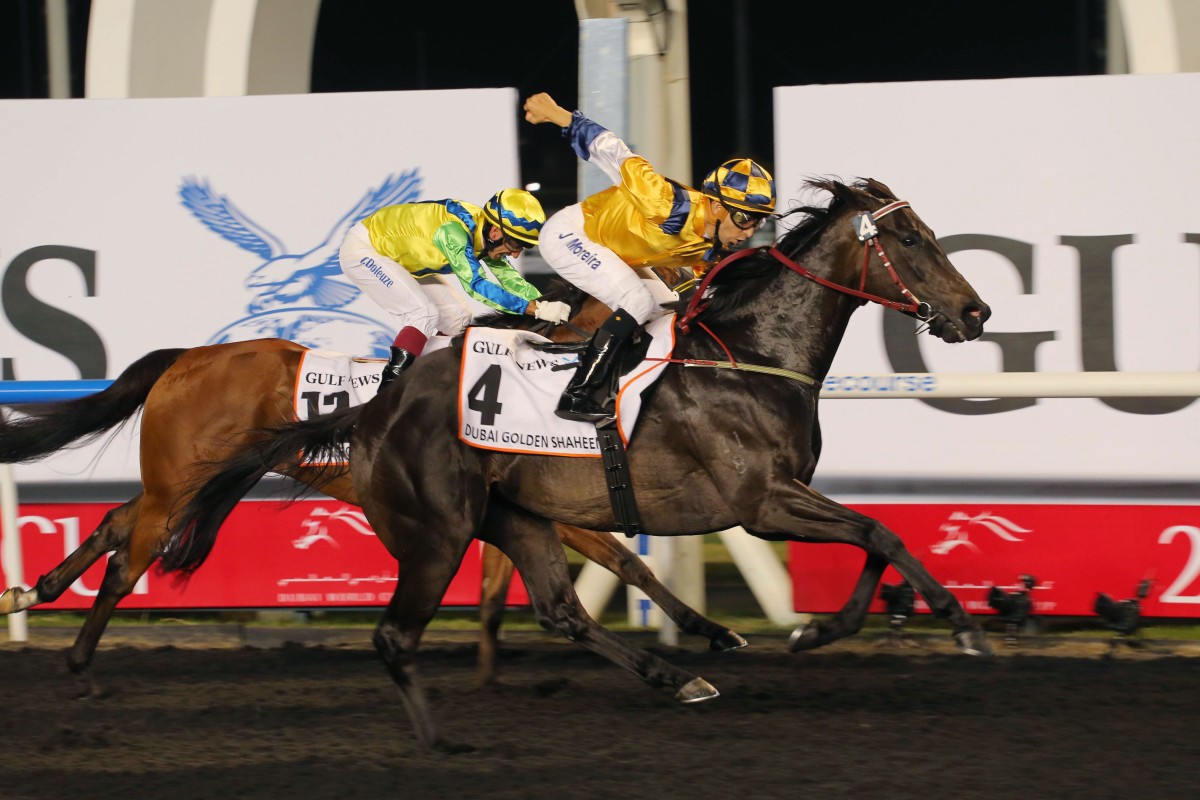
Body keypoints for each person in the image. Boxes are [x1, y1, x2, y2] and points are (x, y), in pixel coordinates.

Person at [523, 92, 777, 422]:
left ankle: (633, 382)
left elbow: (703, 289)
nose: (749, 231)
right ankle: (580, 392)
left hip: (615, 251)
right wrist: (559, 115)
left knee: (663, 308)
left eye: (759, 221)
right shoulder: (667, 203)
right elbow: (614, 151)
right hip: (570, 234)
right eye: (744, 218)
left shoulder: (712, 246)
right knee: (637, 301)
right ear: (716, 206)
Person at [339, 189, 572, 388]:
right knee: (422, 313)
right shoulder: (454, 233)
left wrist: (544, 302)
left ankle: (428, 380)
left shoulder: (486, 236)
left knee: (458, 319)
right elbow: (476, 286)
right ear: (496, 233)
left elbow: (510, 279)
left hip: (399, 259)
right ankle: (387, 396)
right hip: (364, 250)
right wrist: (535, 310)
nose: (516, 253)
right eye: (516, 244)